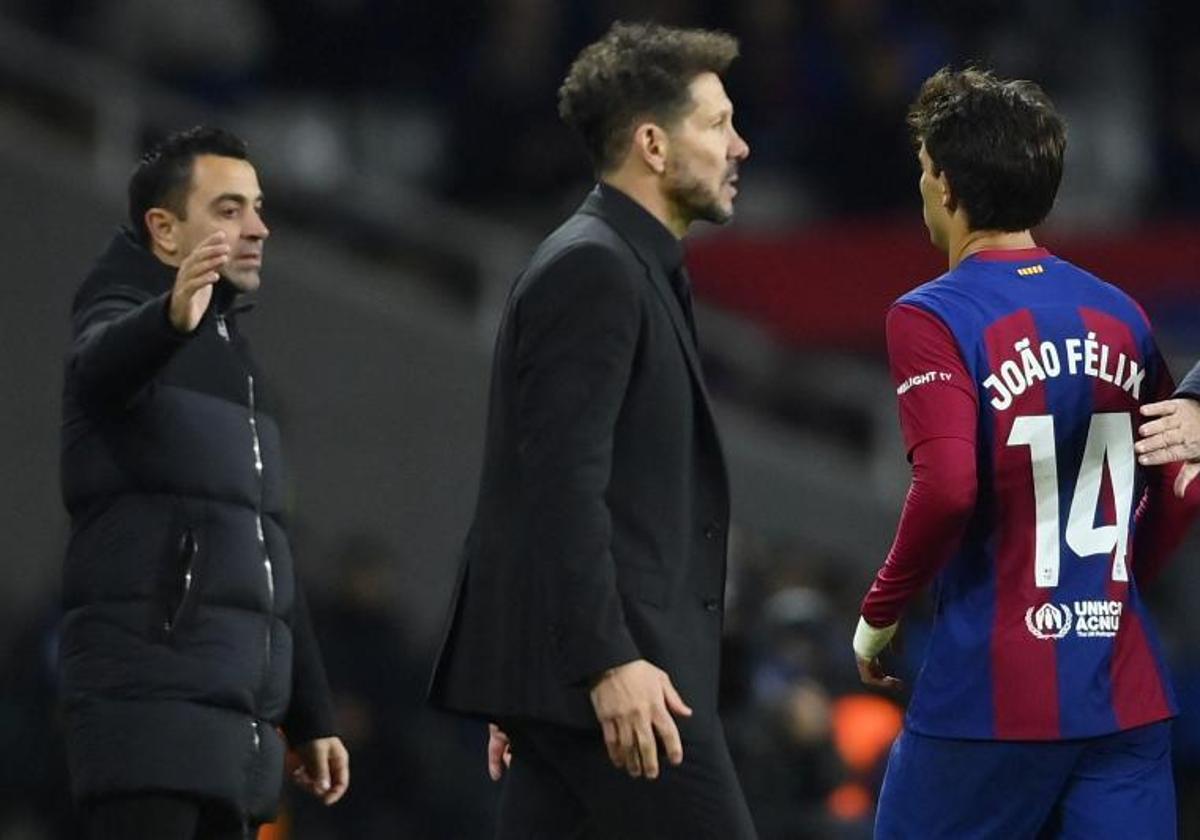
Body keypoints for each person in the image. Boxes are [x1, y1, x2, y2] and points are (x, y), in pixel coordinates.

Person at [428, 21, 756, 840]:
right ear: (651, 143)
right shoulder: (596, 267)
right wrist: (600, 660)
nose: (740, 146)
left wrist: (553, 667)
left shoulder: (627, 262)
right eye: (716, 124)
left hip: (588, 680)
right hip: (626, 675)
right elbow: (558, 487)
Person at [852, 68, 1200, 839]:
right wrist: (1109, 584)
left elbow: (945, 487)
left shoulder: (930, 314)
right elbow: (1181, 473)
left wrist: (878, 613)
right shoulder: (1120, 312)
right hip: (1122, 688)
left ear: (944, 184)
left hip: (988, 698)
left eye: (921, 170)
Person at [59, 126, 349, 839]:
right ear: (164, 229)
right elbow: (99, 368)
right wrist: (166, 320)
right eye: (228, 209)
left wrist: (308, 714)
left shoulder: (236, 360)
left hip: (232, 736)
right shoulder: (121, 308)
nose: (258, 228)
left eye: (256, 206)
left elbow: (265, 548)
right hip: (148, 720)